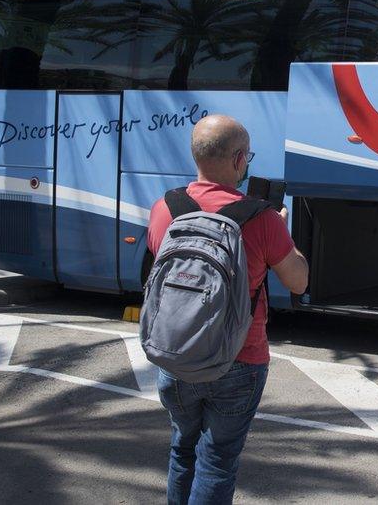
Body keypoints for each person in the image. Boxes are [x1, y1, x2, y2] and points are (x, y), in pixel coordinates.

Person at [146, 114, 308, 504]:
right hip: (241, 356)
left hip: (177, 352)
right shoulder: (262, 218)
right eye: (247, 155)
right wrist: (283, 229)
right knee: (217, 460)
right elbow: (298, 281)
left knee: (181, 449)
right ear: (239, 160)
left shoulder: (164, 208)